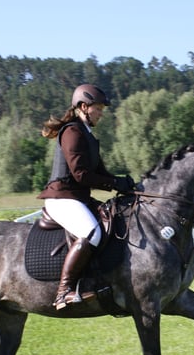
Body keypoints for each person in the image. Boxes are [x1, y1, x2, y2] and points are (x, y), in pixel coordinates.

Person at [38, 84, 135, 310]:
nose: (101, 113)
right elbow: (81, 175)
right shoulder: (72, 132)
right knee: (90, 232)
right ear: (83, 107)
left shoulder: (87, 134)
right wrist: (113, 183)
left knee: (110, 220)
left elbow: (100, 174)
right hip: (61, 198)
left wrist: (124, 183)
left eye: (101, 109)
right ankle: (64, 292)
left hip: (76, 197)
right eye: (98, 109)